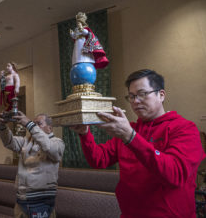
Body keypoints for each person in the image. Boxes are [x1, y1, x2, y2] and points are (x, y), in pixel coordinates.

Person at [70, 69, 205, 218]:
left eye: (142, 94)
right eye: (132, 96)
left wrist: (131, 137)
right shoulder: (130, 129)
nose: (135, 101)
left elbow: (175, 174)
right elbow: (98, 159)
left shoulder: (184, 128)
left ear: (161, 95)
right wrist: (84, 133)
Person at [0, 111, 65, 218]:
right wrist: (2, 126)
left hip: (42, 199)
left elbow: (48, 147)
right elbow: (9, 142)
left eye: (39, 124)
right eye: (34, 123)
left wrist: (29, 124)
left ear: (50, 128)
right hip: (23, 197)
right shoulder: (26, 141)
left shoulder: (57, 142)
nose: (35, 127)